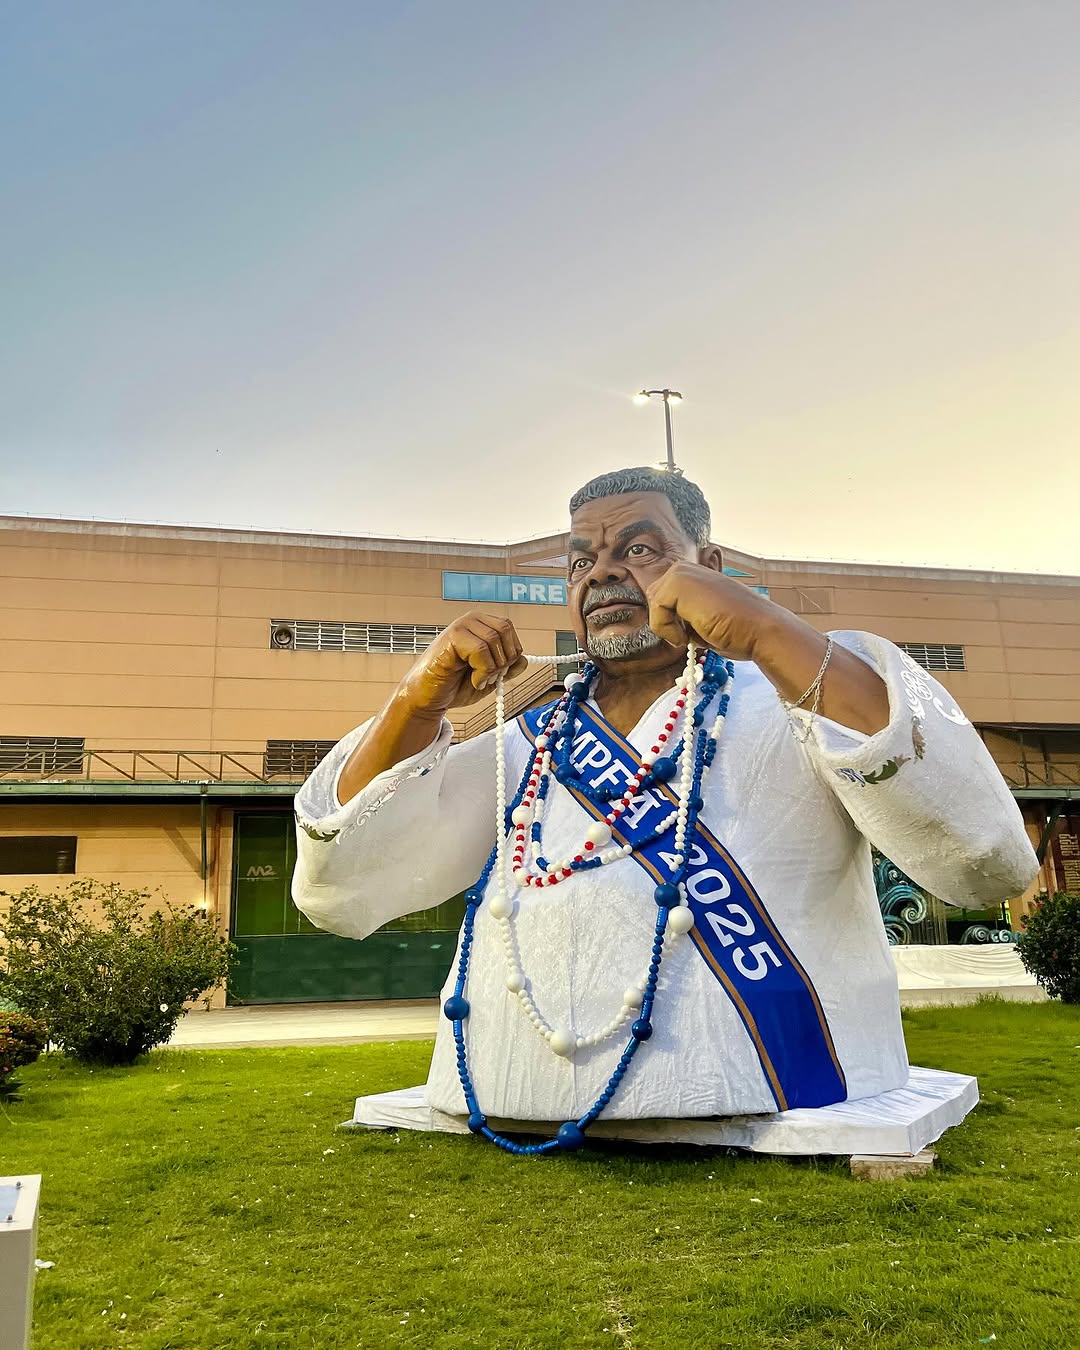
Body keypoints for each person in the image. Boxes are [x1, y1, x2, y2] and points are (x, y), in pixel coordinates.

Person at [291, 467, 1037, 1143]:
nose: (601, 573)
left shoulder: (801, 685)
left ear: (708, 565)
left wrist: (767, 630)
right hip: (502, 1086)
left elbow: (986, 860)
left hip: (779, 1084)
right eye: (580, 561)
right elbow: (341, 892)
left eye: (639, 549)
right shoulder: (525, 737)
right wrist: (413, 705)